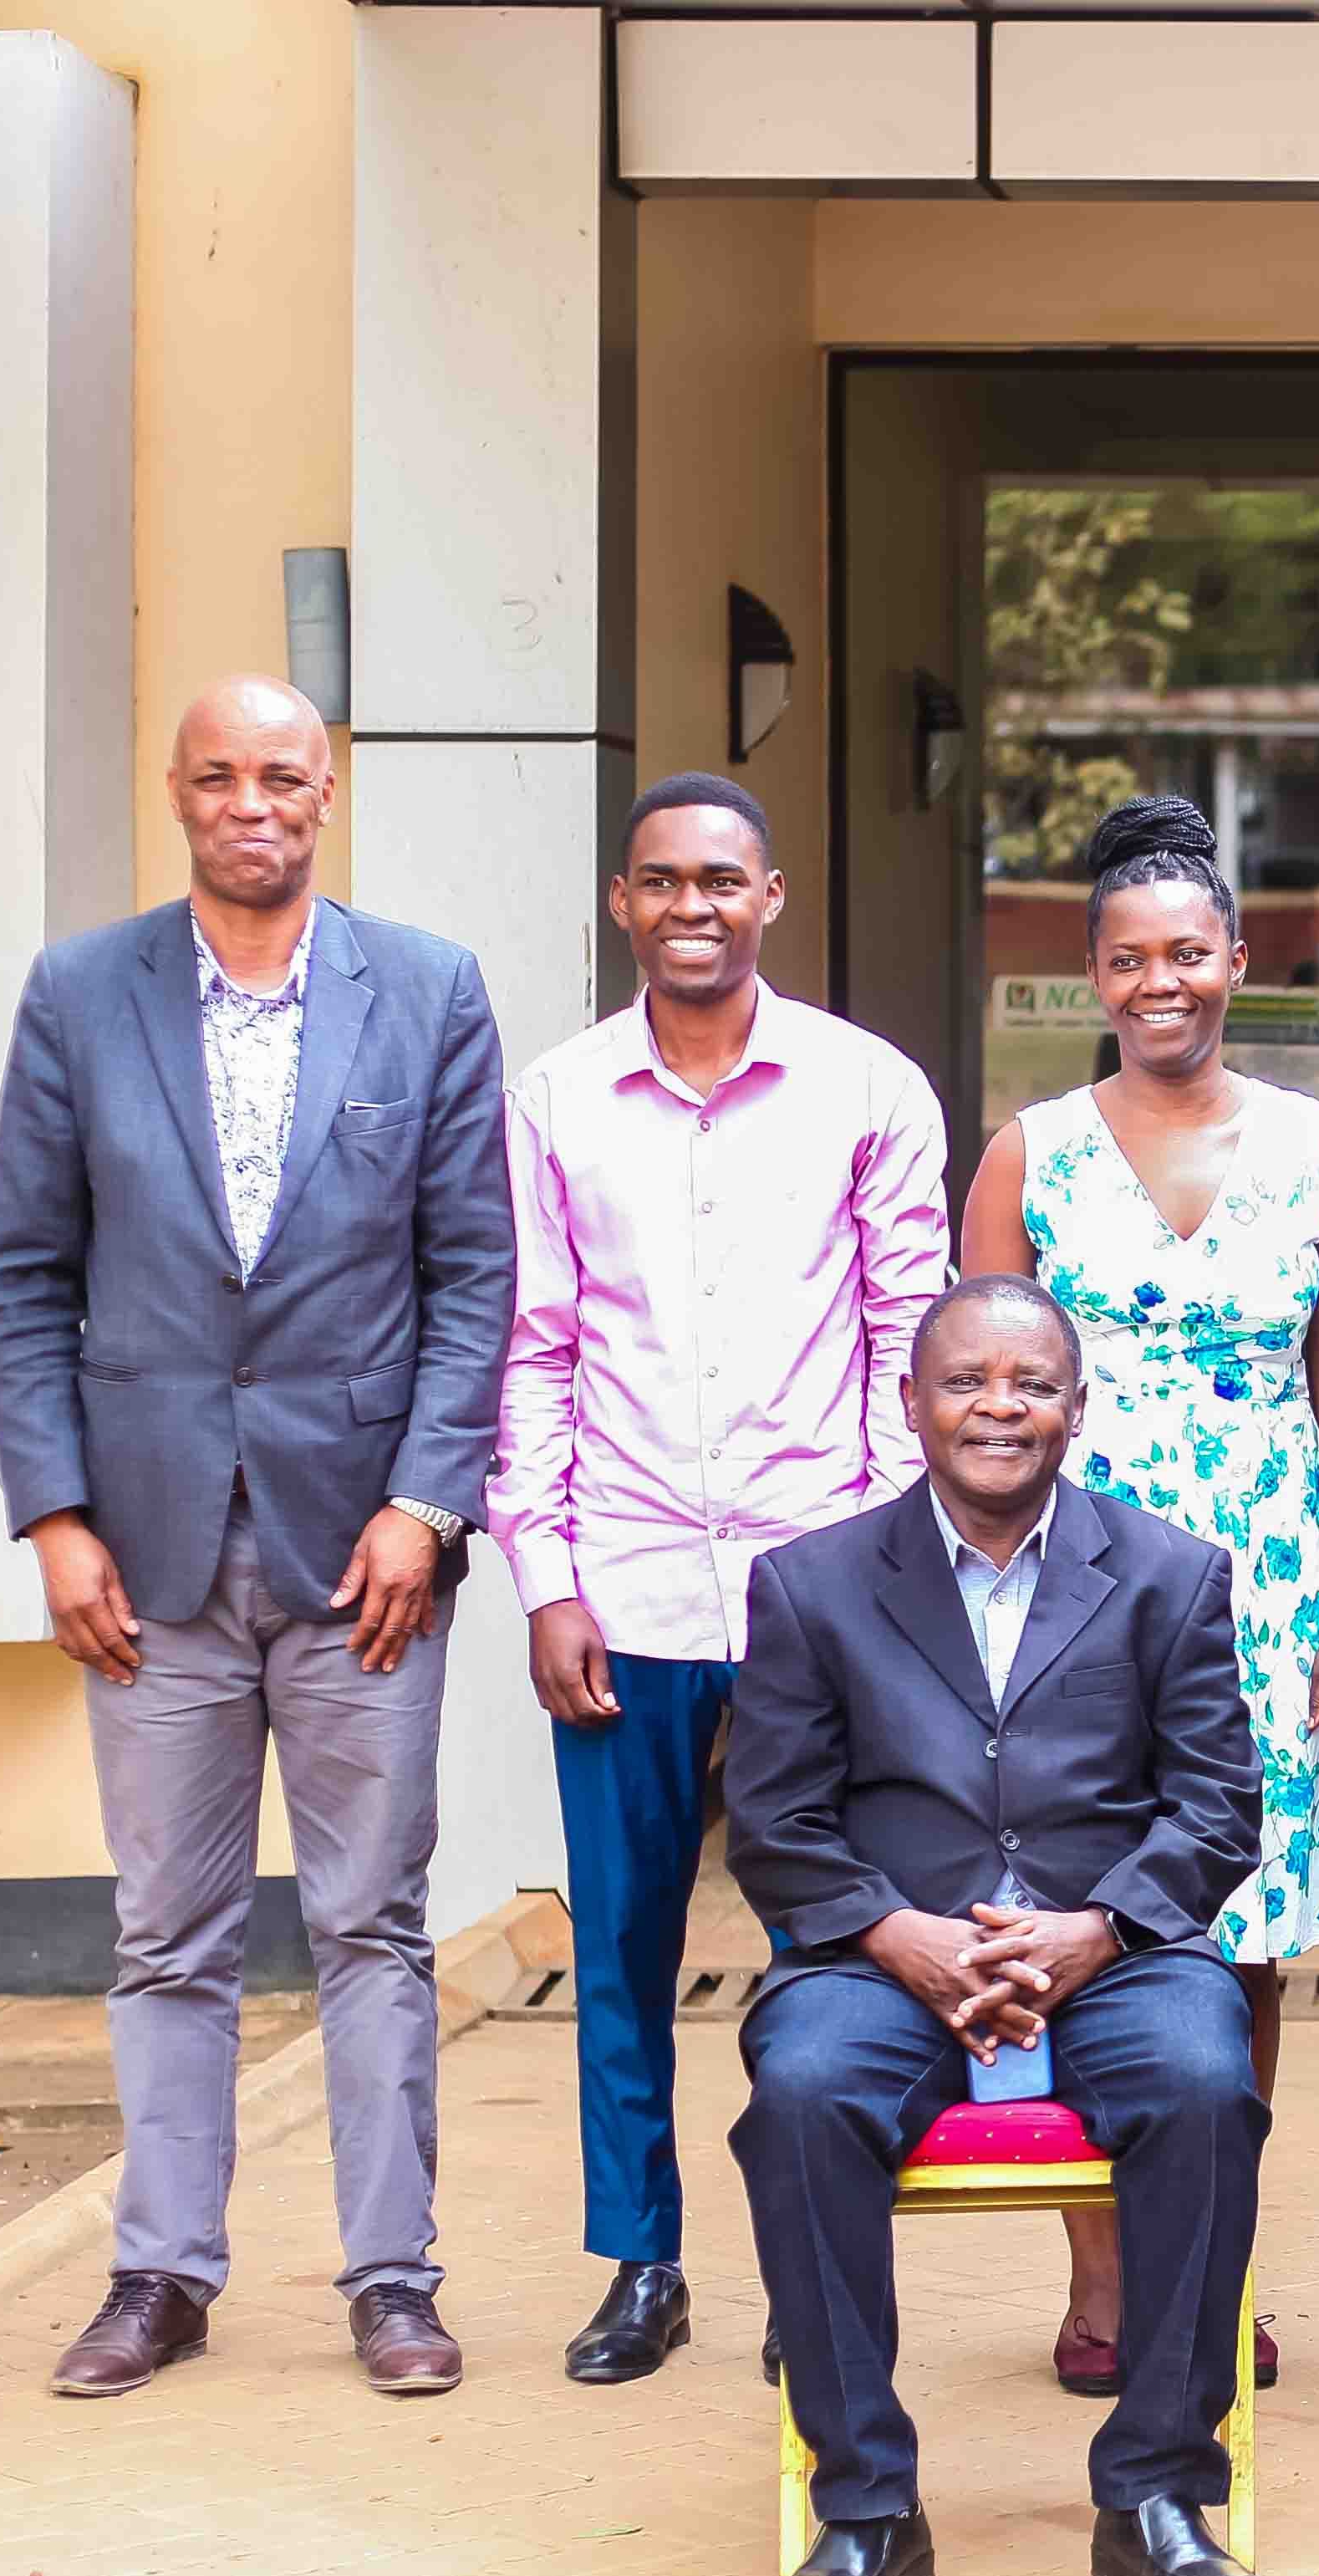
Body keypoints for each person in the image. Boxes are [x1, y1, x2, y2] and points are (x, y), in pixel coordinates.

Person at [0, 668, 511, 2396]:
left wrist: (428, 1508)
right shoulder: (80, 994)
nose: (252, 805)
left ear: (330, 786)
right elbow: (21, 1277)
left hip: (366, 1557)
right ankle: (161, 2273)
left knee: (372, 1923)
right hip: (144, 1557)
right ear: (179, 793)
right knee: (167, 1934)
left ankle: (393, 2278)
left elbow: (472, 1283)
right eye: (219, 779)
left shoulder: (426, 993)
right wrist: (55, 1516)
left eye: (283, 775)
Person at [720, 1275, 1269, 2576]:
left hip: (1116, 1947)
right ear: (912, 1403)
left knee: (1207, 2080)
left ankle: (1153, 2492)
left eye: (1031, 1383)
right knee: (800, 2094)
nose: (999, 1406)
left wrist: (1100, 1929)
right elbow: (773, 1820)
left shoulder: (1170, 1573)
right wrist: (895, 1932)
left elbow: (1218, 1803)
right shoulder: (811, 1582)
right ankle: (865, 2506)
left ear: (1078, 1407)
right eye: (967, 1381)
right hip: (881, 1951)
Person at [489, 773, 949, 2388]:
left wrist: (887, 1576)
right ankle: (641, 2262)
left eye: (721, 881)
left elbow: (916, 1340)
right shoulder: (554, 1099)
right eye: (662, 881)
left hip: (816, 1593)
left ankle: (814, 2269)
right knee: (617, 1943)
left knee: (831, 1938)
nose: (693, 905)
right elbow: (531, 1347)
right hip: (619, 1588)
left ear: (769, 900)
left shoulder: (867, 1088)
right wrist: (547, 1577)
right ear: (625, 903)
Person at [961, 793, 1319, 2394]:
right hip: (1072, 1580)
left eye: (1191, 952)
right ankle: (1106, 2275)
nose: (1164, 981)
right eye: (1130, 958)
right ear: (1094, 974)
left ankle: (1206, 2256)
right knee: (1078, 1905)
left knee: (1241, 1937)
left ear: (1237, 958)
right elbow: (977, 1393)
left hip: (1271, 1577)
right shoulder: (1030, 1151)